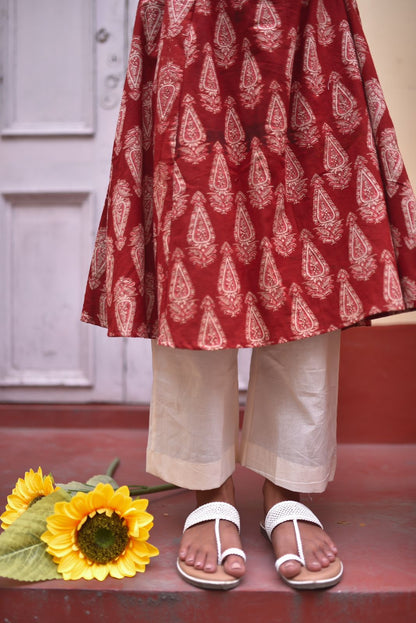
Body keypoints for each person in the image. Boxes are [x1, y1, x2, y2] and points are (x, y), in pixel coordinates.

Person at [82, 0, 416, 590]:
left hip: (304, 14)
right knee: (195, 255)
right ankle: (207, 486)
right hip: (193, 15)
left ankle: (288, 486)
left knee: (309, 243)